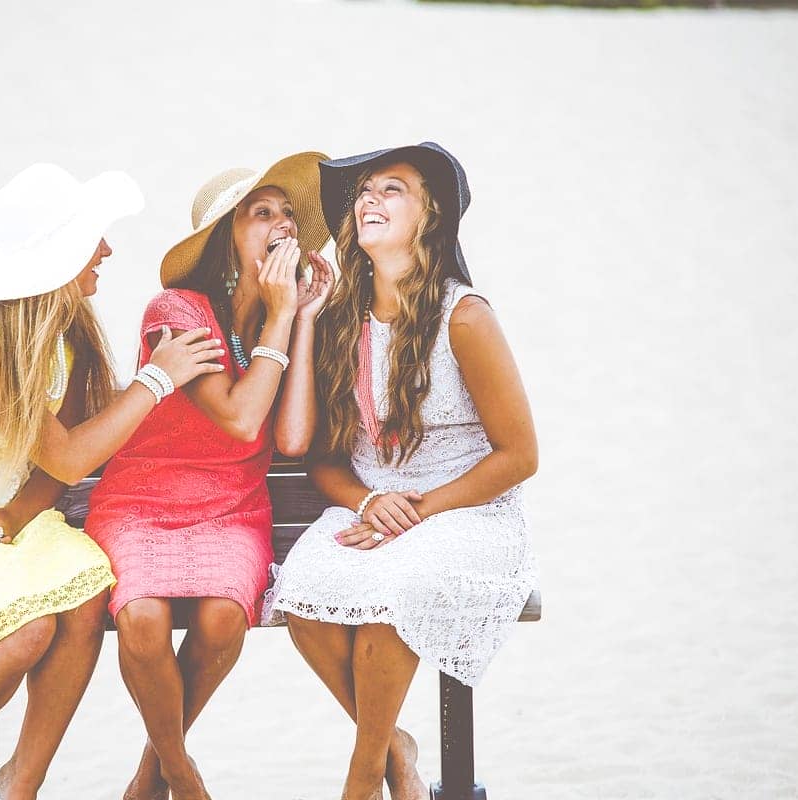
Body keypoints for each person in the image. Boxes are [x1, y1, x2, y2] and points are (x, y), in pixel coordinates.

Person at [0, 163, 224, 800]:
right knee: (29, 628)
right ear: (58, 254)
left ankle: (21, 783)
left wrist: (20, 512)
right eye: (94, 238)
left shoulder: (66, 323)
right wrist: (156, 380)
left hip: (12, 514)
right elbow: (65, 457)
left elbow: (63, 452)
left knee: (85, 600)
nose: (108, 250)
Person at [263, 143, 540, 800]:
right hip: (373, 512)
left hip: (468, 511)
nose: (369, 201)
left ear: (429, 216)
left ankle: (363, 780)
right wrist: (367, 501)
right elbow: (323, 459)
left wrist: (418, 510)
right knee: (304, 595)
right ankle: (395, 753)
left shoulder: (465, 318)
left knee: (394, 595)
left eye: (391, 190)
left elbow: (519, 456)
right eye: (363, 192)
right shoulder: (339, 321)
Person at [85, 151, 334, 800]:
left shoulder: (278, 318)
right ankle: (182, 775)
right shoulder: (176, 312)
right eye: (261, 213)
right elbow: (237, 418)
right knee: (140, 617)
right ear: (228, 236)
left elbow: (289, 437)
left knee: (226, 618)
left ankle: (150, 774)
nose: (281, 225)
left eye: (287, 215)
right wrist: (283, 314)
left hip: (231, 508)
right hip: (143, 502)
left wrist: (301, 319)